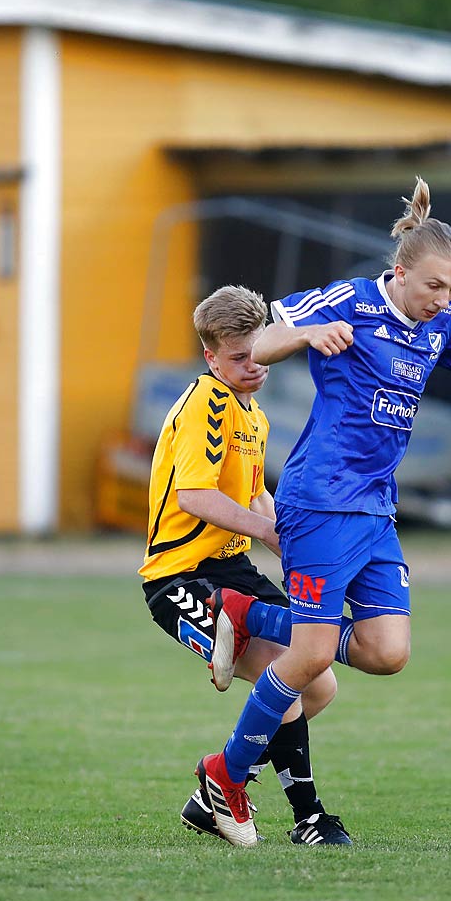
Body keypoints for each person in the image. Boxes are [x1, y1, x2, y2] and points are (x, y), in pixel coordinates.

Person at [189, 179, 451, 844]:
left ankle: (248, 614)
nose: (445, 300)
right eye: (435, 286)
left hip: (375, 510)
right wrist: (311, 333)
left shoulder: (444, 327)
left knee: (387, 652)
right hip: (318, 500)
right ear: (401, 272)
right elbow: (258, 345)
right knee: (310, 653)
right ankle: (226, 775)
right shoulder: (349, 300)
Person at [140, 286, 352, 845]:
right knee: (286, 676)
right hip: (182, 578)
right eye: (238, 358)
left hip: (235, 573)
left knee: (319, 683)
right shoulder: (205, 403)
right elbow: (194, 496)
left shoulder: (250, 413)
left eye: (258, 352)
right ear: (211, 357)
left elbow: (258, 498)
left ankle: (221, 783)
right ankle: (309, 817)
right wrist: (264, 530)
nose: (253, 365)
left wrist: (297, 549)